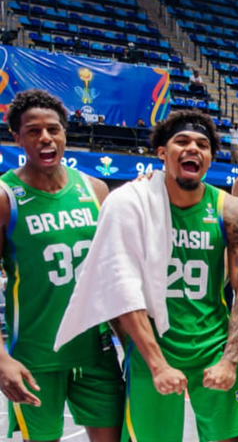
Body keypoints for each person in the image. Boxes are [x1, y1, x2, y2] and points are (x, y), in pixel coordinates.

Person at [97, 110, 238, 441]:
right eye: (181, 141)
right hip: (154, 349)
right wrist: (153, 361)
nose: (193, 149)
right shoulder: (134, 204)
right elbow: (119, 285)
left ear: (211, 158)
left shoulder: (229, 209)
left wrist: (230, 360)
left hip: (212, 346)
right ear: (161, 152)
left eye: (202, 144)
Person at [0, 89, 124, 441]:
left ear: (65, 133)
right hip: (35, 356)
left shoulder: (96, 189)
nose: (45, 139)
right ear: (17, 137)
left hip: (96, 351)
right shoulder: (6, 197)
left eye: (53, 129)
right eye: (33, 131)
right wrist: (1, 359)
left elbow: (114, 276)